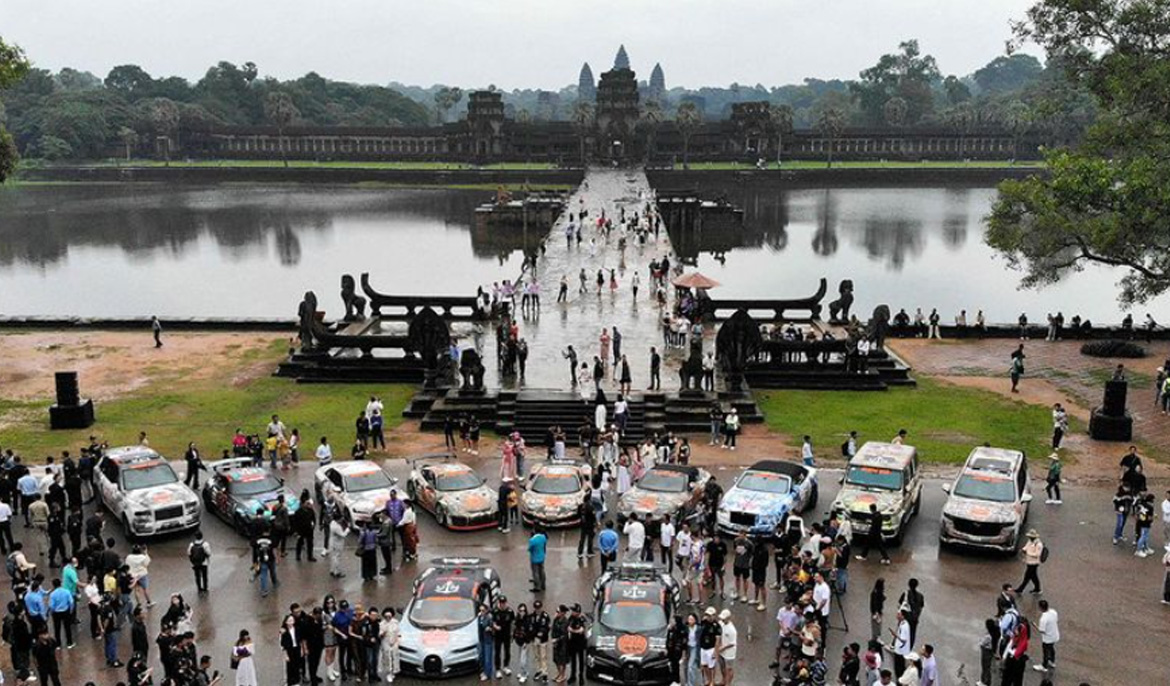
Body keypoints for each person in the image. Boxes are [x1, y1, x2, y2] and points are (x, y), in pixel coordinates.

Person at [280, 614, 305, 686]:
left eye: (292, 620)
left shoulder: (297, 629)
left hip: (296, 648)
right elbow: (283, 644)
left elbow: (300, 640)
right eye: (289, 620)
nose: (291, 622)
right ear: (286, 622)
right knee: (290, 667)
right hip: (289, 650)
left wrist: (301, 650)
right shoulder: (283, 631)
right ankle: (290, 682)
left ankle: (296, 681)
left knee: (297, 666)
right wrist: (286, 655)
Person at [717, 609, 737, 686]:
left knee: (729, 669)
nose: (722, 620)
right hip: (721, 651)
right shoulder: (721, 624)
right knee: (722, 667)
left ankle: (728, 683)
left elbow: (732, 643)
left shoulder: (732, 630)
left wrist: (723, 648)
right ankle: (723, 679)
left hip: (729, 653)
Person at [528, 527, 548, 593]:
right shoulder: (543, 537)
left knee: (535, 572)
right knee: (542, 570)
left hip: (534, 558)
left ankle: (537, 587)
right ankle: (543, 585)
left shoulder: (532, 540)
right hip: (542, 557)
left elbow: (530, 549)